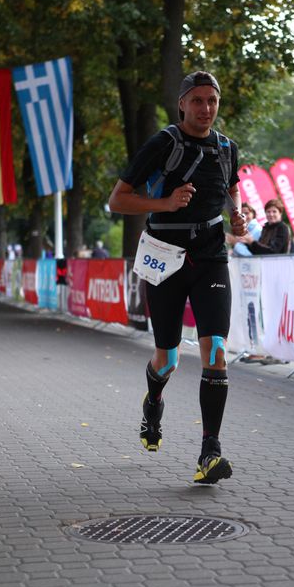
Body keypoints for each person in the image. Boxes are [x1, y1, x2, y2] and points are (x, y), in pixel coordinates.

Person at [109, 70, 247, 485]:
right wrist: (166, 203)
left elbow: (231, 188)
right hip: (165, 257)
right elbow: (118, 200)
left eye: (212, 101)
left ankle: (210, 452)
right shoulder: (163, 144)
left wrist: (237, 215)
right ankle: (153, 401)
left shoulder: (226, 148)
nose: (206, 108)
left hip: (210, 256)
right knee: (167, 357)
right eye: (198, 101)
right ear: (182, 103)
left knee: (216, 351)